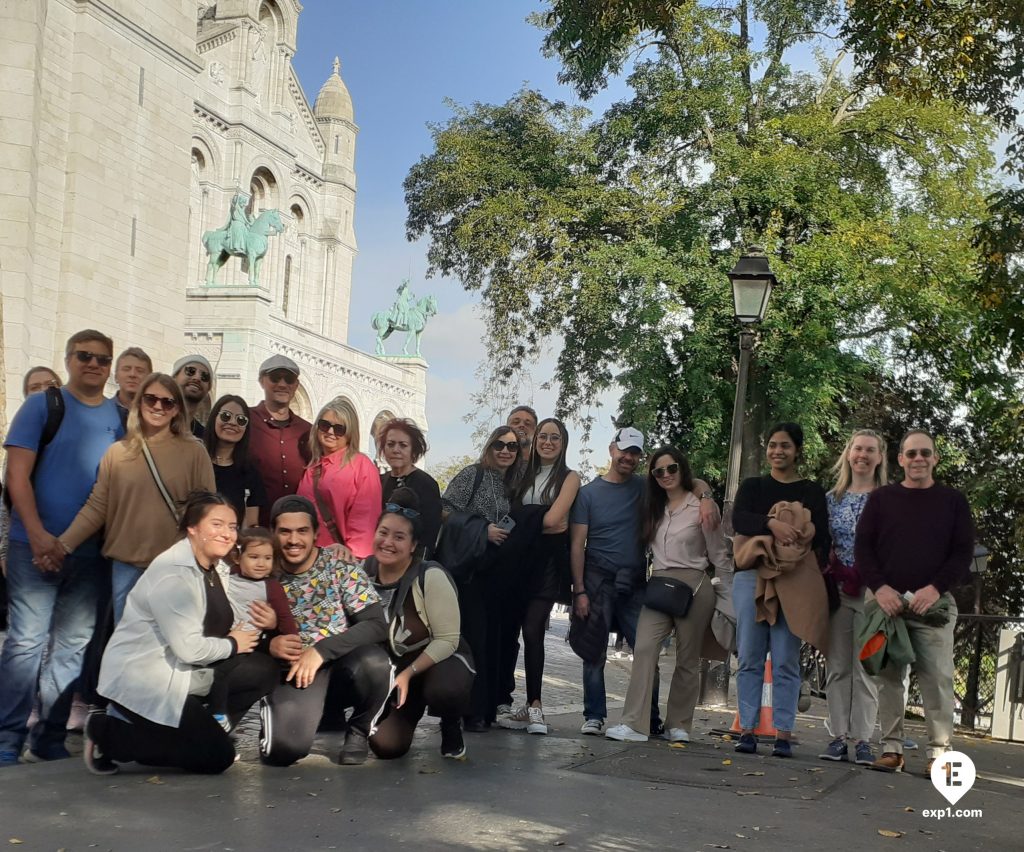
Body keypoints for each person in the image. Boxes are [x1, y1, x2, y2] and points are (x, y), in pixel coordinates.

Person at [82, 494, 279, 775]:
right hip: (149, 680)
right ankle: (110, 734)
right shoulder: (173, 575)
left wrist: (267, 625)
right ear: (193, 528)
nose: (227, 533)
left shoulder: (218, 568)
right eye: (217, 524)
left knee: (263, 670)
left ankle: (206, 730)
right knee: (217, 757)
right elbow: (189, 650)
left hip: (188, 674)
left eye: (233, 526)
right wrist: (233, 643)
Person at [0, 330, 123, 767]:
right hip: (31, 546)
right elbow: (16, 477)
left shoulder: (119, 416)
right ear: (69, 359)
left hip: (89, 554)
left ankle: (49, 735)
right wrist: (36, 535)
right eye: (85, 356)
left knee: (73, 645)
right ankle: (7, 739)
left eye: (102, 359)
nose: (94, 364)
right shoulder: (42, 405)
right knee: (26, 643)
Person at [856, 430, 974, 774]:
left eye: (925, 453)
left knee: (937, 677)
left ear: (935, 458)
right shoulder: (881, 499)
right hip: (886, 605)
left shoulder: (953, 501)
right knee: (889, 677)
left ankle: (940, 753)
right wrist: (880, 589)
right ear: (901, 460)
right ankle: (892, 749)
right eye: (912, 454)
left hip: (932, 606)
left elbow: (962, 553)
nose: (918, 459)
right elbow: (864, 549)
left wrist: (935, 589)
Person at [58, 374, 216, 623]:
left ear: (176, 410)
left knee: (172, 647)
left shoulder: (194, 451)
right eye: (151, 398)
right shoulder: (117, 453)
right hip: (126, 566)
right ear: (139, 402)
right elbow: (98, 506)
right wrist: (63, 545)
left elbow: (208, 510)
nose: (158, 406)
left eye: (168, 402)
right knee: (129, 645)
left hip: (174, 566)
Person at [606, 446, 732, 744]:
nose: (666, 475)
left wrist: (729, 593)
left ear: (682, 468)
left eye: (671, 468)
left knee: (688, 657)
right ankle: (634, 723)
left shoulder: (701, 507)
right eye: (658, 471)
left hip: (696, 585)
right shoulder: (653, 506)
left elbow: (718, 553)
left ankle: (679, 724)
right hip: (661, 584)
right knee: (645, 648)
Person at [260, 496, 393, 767]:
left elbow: (377, 624)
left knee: (376, 663)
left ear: (316, 534)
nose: (293, 540)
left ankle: (358, 730)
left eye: (302, 531)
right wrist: (268, 646)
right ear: (273, 532)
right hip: (296, 673)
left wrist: (320, 650)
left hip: (343, 663)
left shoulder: (340, 567)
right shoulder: (261, 573)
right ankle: (298, 716)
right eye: (285, 531)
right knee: (282, 751)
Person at [731, 422, 831, 758]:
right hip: (750, 575)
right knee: (749, 656)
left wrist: (803, 540)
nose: (778, 451)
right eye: (773, 445)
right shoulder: (753, 485)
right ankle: (747, 728)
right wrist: (770, 523)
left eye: (785, 445)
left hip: (792, 578)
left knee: (787, 658)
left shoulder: (811, 491)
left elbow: (823, 537)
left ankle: (784, 733)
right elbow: (739, 520)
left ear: (797, 450)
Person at [364, 489, 475, 760]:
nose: (388, 542)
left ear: (413, 545)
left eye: (399, 537)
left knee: (445, 690)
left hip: (439, 659)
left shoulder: (430, 575)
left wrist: (409, 672)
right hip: (398, 669)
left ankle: (451, 724)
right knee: (386, 747)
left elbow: (448, 640)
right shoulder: (361, 573)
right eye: (383, 532)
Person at [496, 418, 580, 735]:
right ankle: (499, 700)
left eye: (554, 437)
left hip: (547, 564)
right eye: (542, 436)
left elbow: (557, 521)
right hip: (516, 562)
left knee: (533, 630)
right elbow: (517, 518)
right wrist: (534, 517)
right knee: (507, 631)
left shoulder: (570, 478)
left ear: (563, 443)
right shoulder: (522, 475)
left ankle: (535, 706)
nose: (547, 441)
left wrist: (523, 518)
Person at [441, 426, 521, 731]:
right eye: (499, 444)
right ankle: (464, 709)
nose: (505, 451)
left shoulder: (513, 484)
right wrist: (481, 528)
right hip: (469, 570)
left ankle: (484, 709)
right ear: (489, 446)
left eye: (512, 447)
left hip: (497, 572)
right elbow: (445, 509)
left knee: (492, 641)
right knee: (471, 638)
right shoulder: (472, 474)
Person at [819, 430, 887, 765]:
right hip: (840, 588)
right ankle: (837, 737)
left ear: (879, 457)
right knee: (838, 667)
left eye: (870, 450)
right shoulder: (832, 498)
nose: (862, 455)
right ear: (848, 454)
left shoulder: (889, 499)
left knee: (867, 668)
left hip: (874, 592)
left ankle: (863, 739)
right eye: (857, 449)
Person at [208, 527, 298, 730]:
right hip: (222, 637)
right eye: (254, 557)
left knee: (221, 673)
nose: (261, 563)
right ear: (238, 557)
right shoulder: (227, 576)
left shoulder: (271, 586)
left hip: (248, 644)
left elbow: (285, 617)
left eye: (267, 558)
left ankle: (219, 716)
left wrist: (291, 641)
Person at [298, 397, 382, 559]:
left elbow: (364, 521)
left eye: (339, 429)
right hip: (307, 559)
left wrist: (352, 562)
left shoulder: (361, 466)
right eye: (324, 425)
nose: (330, 432)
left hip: (341, 562)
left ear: (350, 433)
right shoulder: (312, 467)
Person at [248, 354, 311, 527]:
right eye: (275, 378)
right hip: (254, 531)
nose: (282, 384)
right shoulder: (244, 420)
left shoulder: (308, 431)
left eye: (289, 379)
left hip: (294, 532)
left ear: (296, 385)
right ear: (262, 381)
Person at [378, 417, 442, 559]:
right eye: (390, 444)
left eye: (403, 445)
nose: (396, 450)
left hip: (410, 564)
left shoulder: (426, 484)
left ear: (413, 450)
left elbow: (429, 536)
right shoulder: (379, 481)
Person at [204, 394, 266, 527]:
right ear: (214, 418)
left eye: (241, 420)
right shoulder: (196, 462)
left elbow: (250, 525)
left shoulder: (250, 473)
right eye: (226, 416)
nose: (232, 423)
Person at [172, 354, 214, 438]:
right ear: (174, 377)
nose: (197, 378)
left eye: (204, 376)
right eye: (191, 371)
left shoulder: (205, 438)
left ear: (208, 388)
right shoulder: (155, 420)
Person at [112, 347, 152, 426]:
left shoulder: (154, 419)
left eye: (140, 371)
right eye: (126, 369)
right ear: (116, 376)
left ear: (149, 378)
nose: (132, 374)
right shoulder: (100, 411)